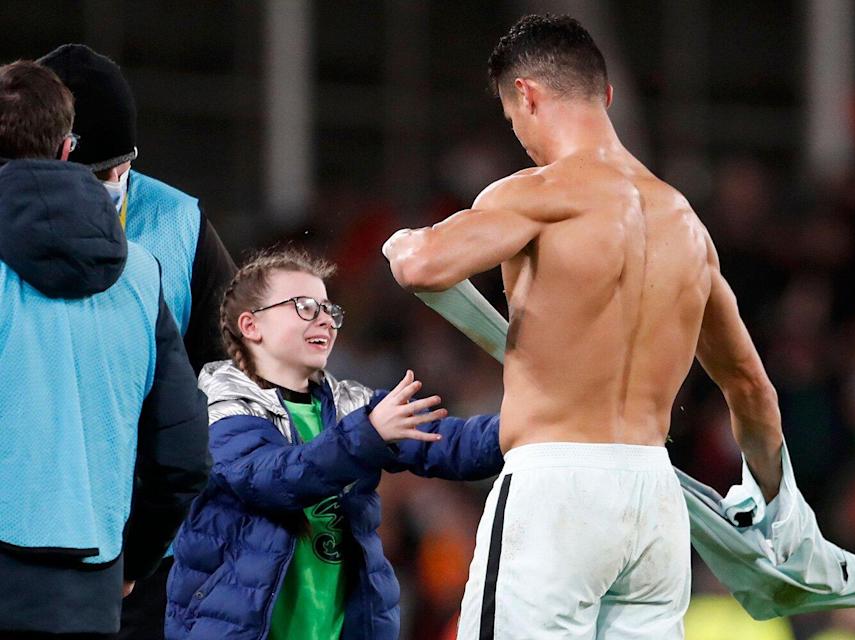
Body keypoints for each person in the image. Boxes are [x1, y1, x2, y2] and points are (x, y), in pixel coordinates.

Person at [383, 14, 784, 639]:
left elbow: (421, 268)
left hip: (557, 487)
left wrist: (403, 241)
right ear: (608, 96)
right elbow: (753, 392)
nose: (518, 134)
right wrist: (773, 505)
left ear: (527, 95)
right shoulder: (687, 227)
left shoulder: (538, 193)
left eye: (512, 117)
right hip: (654, 500)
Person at [165, 247, 503, 640]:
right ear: (251, 325)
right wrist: (368, 435)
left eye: (329, 310)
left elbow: (451, 445)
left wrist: (533, 425)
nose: (325, 319)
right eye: (304, 307)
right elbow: (274, 480)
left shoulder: (350, 405)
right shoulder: (221, 405)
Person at [0, 60, 210, 638]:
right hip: (92, 584)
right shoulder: (143, 273)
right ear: (66, 148)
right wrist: (130, 562)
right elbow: (186, 455)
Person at [39, 44, 237, 373]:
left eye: (124, 164)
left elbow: (235, 372)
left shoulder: (180, 223)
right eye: (98, 173)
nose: (116, 179)